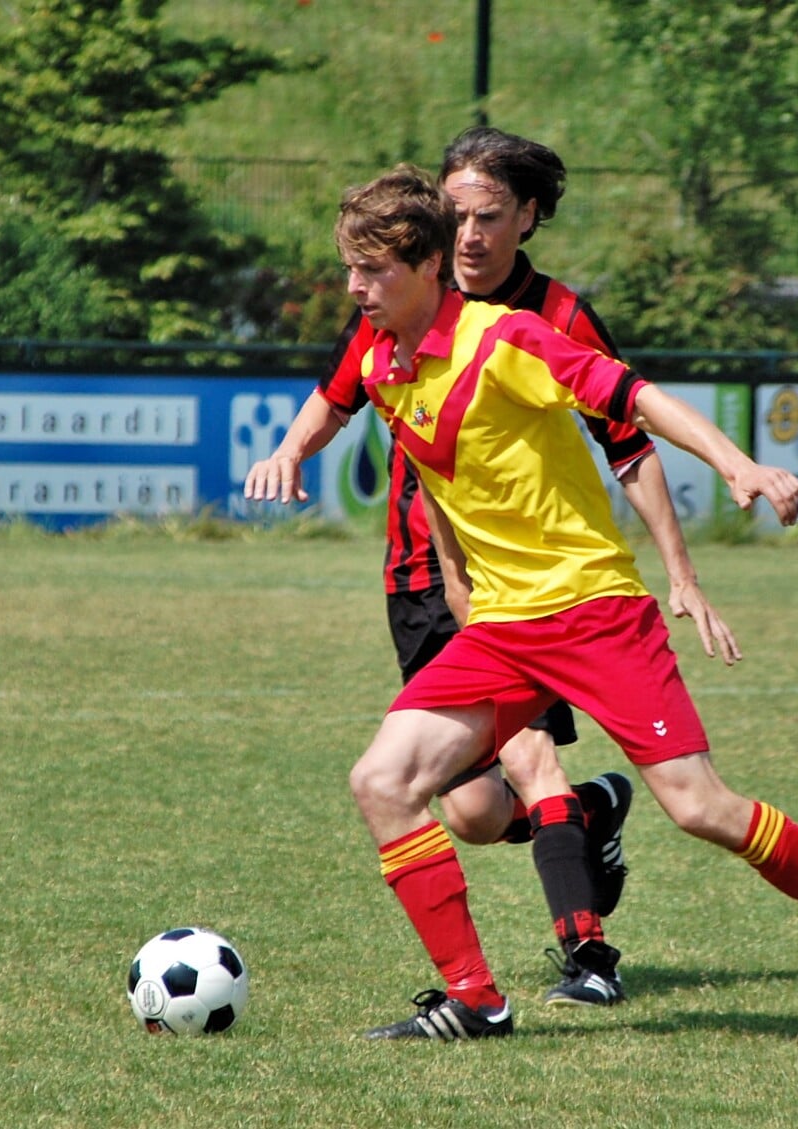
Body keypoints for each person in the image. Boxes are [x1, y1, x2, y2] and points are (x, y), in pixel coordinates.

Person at [320, 164, 798, 1042]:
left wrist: (737, 464)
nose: (355, 288)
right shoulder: (386, 362)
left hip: (594, 613)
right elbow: (439, 483)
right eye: (350, 269)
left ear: (427, 266)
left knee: (701, 808)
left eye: (372, 270)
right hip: (504, 629)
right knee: (383, 782)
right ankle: (476, 998)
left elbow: (636, 400)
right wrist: (463, 588)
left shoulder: (509, 339)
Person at [246, 128, 740, 1008]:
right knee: (473, 813)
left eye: (487, 216)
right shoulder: (388, 307)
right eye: (457, 214)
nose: (469, 234)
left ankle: (585, 955)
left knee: (532, 762)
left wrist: (683, 571)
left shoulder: (545, 322)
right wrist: (289, 450)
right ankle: (594, 815)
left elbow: (629, 441)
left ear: (527, 217)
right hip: (417, 579)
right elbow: (335, 397)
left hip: (531, 591)